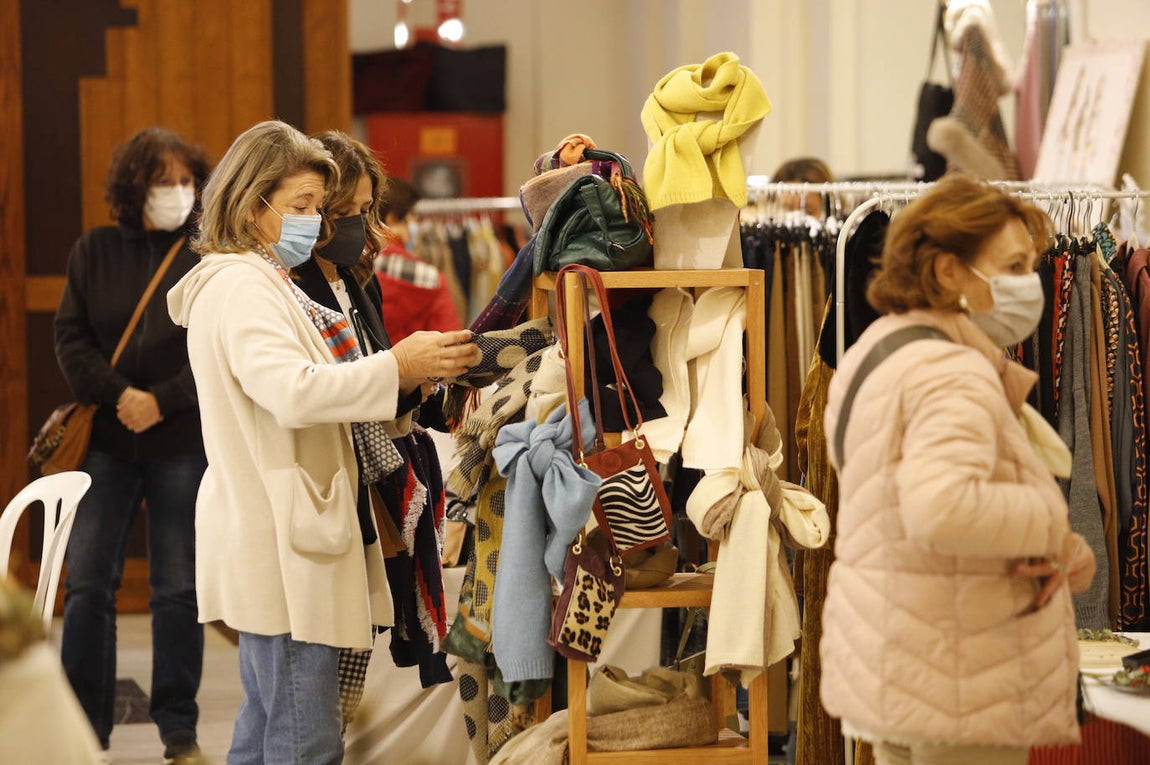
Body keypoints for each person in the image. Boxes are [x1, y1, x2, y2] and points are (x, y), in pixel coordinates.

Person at [165, 119, 477, 765]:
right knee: (304, 736)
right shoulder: (241, 286)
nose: (316, 223)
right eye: (302, 208)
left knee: (268, 725)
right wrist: (398, 366)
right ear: (252, 205)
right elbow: (293, 390)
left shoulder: (266, 279)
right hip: (282, 534)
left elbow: (322, 386)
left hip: (293, 524)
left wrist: (400, 383)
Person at [821, 173, 1096, 765]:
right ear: (949, 272)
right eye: (1014, 266)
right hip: (962, 675)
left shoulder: (879, 351)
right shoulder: (953, 373)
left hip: (899, 658)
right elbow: (941, 505)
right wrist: (1054, 528)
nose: (1032, 283)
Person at [54, 126, 211, 764]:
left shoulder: (206, 254)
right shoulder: (94, 250)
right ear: (133, 187)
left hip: (180, 439)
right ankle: (85, 730)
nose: (175, 191)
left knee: (178, 588)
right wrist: (123, 395)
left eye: (183, 179)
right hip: (107, 443)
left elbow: (215, 347)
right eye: (161, 180)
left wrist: (163, 399)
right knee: (90, 584)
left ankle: (178, 728)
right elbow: (71, 339)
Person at [373, 175, 463, 343]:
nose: (415, 224)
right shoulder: (432, 281)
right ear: (393, 218)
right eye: (412, 216)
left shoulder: (349, 270)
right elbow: (450, 346)